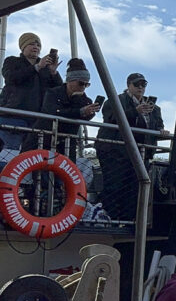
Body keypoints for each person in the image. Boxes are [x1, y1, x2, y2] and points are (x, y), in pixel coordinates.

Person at [95, 72, 168, 221]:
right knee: (114, 185)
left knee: (135, 189)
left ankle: (129, 220)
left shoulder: (155, 108)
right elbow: (111, 119)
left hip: (140, 153)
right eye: (137, 84)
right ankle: (111, 218)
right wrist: (135, 112)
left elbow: (158, 125)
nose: (140, 88)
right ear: (129, 85)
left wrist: (161, 132)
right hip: (115, 151)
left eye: (143, 85)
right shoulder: (115, 101)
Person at [0, 32, 62, 153]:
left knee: (31, 157)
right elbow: (11, 78)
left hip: (37, 119)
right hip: (13, 116)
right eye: (31, 44)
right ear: (23, 47)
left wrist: (54, 73)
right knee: (9, 153)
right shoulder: (12, 61)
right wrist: (37, 67)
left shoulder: (46, 69)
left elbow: (58, 90)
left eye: (38, 45)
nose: (36, 47)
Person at [30, 58, 100, 162]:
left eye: (87, 84)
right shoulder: (52, 93)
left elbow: (87, 117)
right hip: (44, 140)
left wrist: (82, 104)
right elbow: (53, 112)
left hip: (67, 145)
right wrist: (79, 111)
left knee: (64, 177)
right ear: (70, 80)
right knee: (42, 175)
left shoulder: (85, 100)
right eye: (81, 83)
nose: (83, 87)